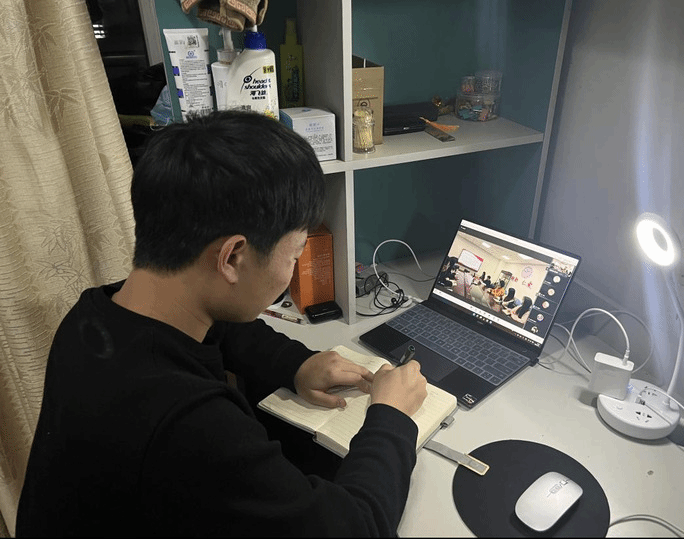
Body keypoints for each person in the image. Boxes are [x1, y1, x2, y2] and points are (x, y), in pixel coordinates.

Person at [16, 110, 427, 537]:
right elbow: (359, 529)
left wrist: (297, 364)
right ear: (231, 257)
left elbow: (222, 325)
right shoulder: (190, 425)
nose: (292, 269)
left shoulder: (95, 316)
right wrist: (391, 416)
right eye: (295, 254)